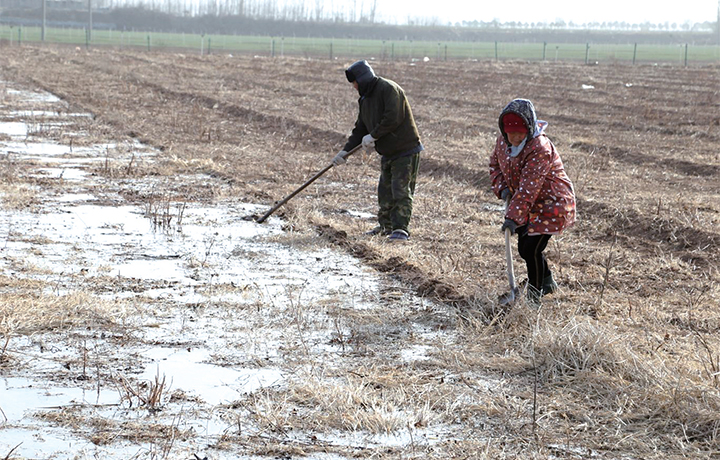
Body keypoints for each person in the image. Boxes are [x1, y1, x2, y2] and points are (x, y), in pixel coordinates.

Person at [489, 98, 576, 304]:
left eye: (520, 133)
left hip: (552, 203)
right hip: (525, 205)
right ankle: (547, 281)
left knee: (530, 249)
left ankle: (535, 295)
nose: (516, 137)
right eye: (511, 133)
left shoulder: (540, 148)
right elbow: (495, 165)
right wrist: (502, 190)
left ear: (529, 128)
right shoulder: (503, 143)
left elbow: (529, 188)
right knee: (526, 247)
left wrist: (512, 217)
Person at [332, 60, 423, 242]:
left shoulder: (389, 89)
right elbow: (360, 129)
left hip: (405, 149)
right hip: (388, 151)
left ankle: (400, 229)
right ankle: (385, 226)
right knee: (385, 191)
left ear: (362, 78)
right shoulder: (365, 99)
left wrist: (373, 135)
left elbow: (393, 117)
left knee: (400, 190)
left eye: (354, 83)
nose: (354, 87)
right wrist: (345, 152)